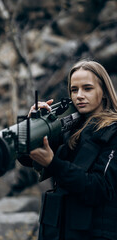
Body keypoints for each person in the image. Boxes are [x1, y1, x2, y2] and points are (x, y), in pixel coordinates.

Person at [18, 60, 117, 240]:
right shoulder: (70, 126)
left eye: (87, 88)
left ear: (103, 92)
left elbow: (100, 188)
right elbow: (28, 158)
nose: (79, 95)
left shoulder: (113, 131)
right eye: (74, 89)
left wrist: (53, 164)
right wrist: (35, 124)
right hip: (59, 231)